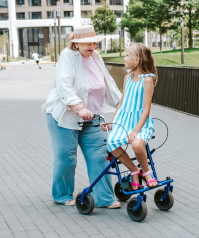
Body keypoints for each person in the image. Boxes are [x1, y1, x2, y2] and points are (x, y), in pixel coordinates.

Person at [42, 25, 122, 208]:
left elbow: (107, 83)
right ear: (76, 43)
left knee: (100, 156)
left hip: (92, 118)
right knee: (66, 158)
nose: (92, 46)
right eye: (87, 43)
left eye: (94, 42)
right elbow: (64, 85)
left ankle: (105, 198)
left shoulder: (96, 57)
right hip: (65, 117)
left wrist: (122, 104)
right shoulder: (67, 56)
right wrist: (79, 107)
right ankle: (62, 194)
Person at [102, 43, 158, 190]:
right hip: (123, 121)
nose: (124, 58)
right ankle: (134, 170)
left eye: (127, 55)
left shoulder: (147, 80)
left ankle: (146, 172)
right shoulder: (127, 77)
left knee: (137, 144)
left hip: (141, 123)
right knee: (111, 142)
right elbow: (121, 103)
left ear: (137, 59)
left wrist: (135, 131)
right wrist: (113, 123)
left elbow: (146, 109)